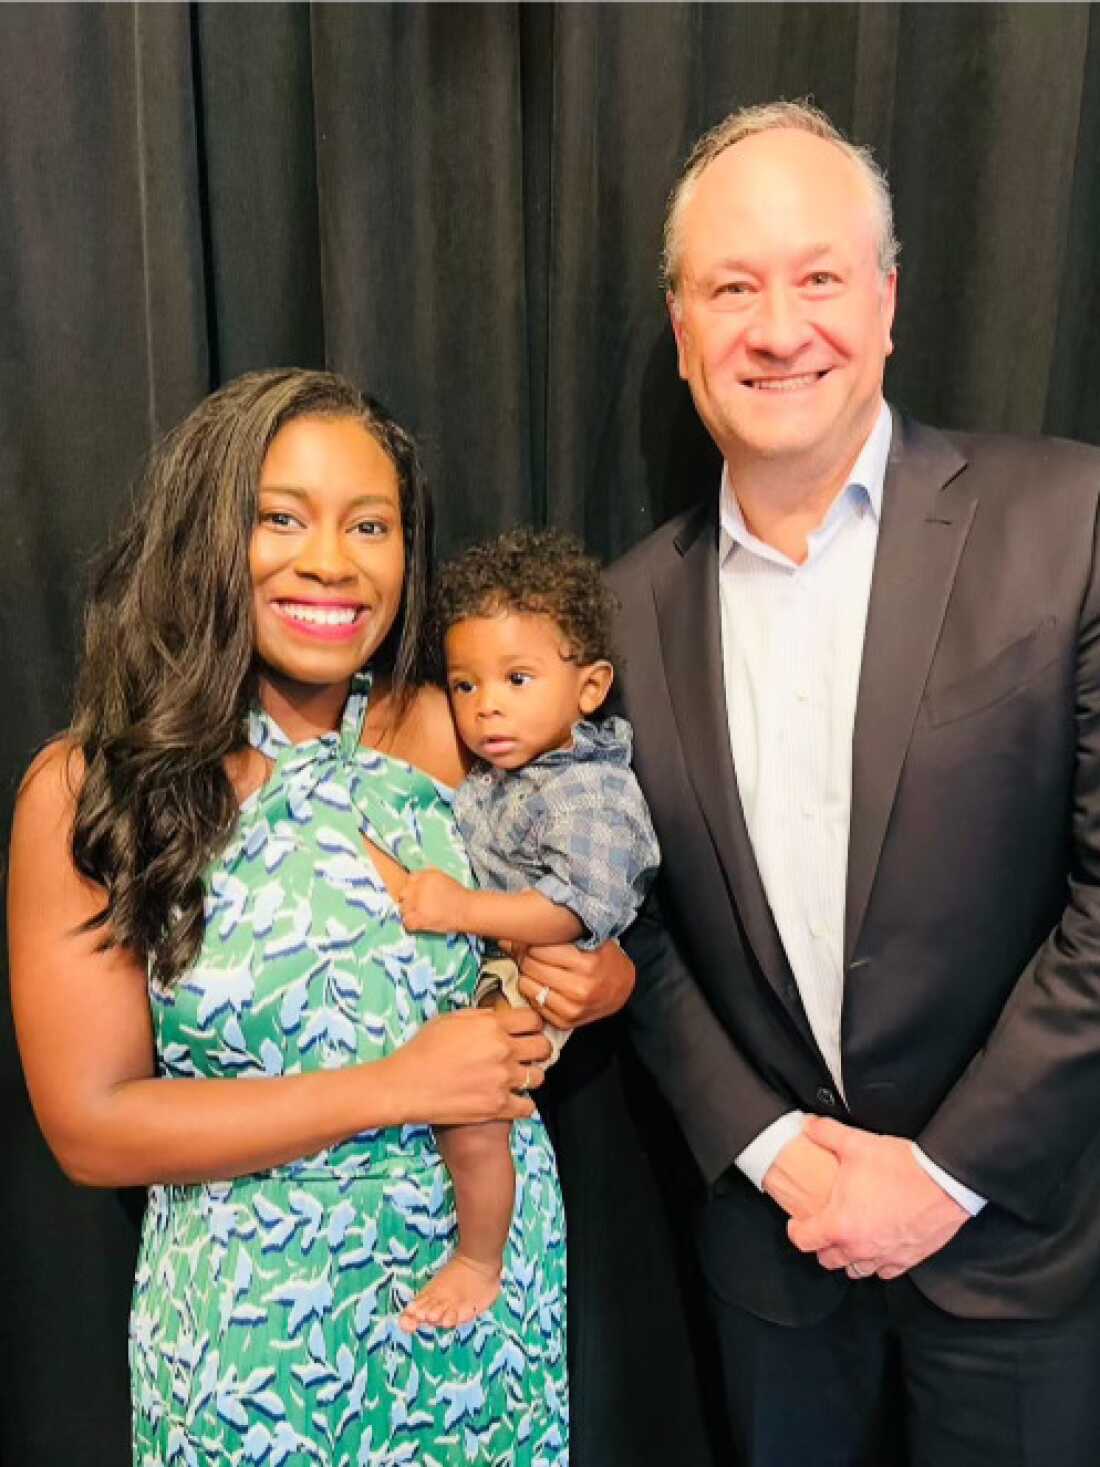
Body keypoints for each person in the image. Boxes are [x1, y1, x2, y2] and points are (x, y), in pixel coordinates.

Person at [8, 368, 630, 1464]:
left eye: (371, 525)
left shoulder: (460, 732)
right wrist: (396, 1088)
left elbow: (583, 918)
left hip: (480, 1316)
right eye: (280, 517)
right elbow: (92, 1127)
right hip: (256, 1350)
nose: (332, 561)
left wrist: (599, 979)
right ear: (207, 533)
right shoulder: (91, 786)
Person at [608, 98, 1100, 1466]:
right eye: (734, 286)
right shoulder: (623, 612)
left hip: (1023, 1255)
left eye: (819, 276)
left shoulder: (1074, 525)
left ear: (886, 301)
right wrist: (766, 1144)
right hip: (770, 1264)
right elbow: (629, 920)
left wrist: (940, 1174)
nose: (779, 327)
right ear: (684, 322)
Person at [394, 527, 659, 1333]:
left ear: (589, 687)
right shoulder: (508, 772)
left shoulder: (588, 790)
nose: (487, 707)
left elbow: (572, 909)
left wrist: (459, 910)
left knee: (474, 1111)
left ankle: (480, 1256)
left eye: (516, 678)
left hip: (544, 973)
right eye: (467, 685)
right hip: (499, 958)